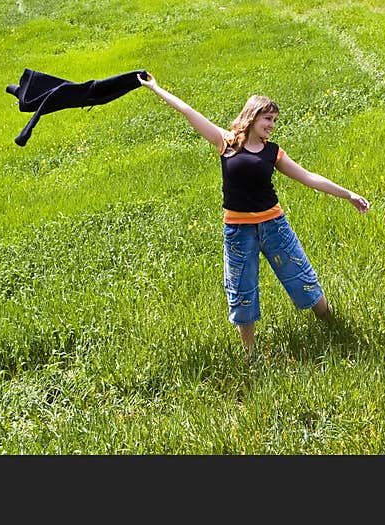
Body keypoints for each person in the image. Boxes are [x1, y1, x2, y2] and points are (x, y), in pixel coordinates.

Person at [138, 73, 369, 352]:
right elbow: (189, 112)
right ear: (252, 116)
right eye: (267, 119)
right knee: (242, 290)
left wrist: (349, 194)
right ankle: (249, 353)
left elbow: (309, 177)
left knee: (302, 277)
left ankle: (334, 326)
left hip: (274, 227)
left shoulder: (273, 152)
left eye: (274, 120)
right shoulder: (227, 142)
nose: (271, 125)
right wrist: (155, 87)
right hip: (238, 232)